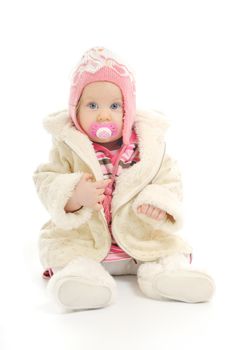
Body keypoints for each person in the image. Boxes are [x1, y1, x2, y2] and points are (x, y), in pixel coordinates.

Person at [33, 46, 215, 311]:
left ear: (128, 110)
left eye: (114, 106)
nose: (104, 115)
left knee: (164, 251)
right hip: (85, 238)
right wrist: (72, 194)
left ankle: (168, 277)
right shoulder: (68, 146)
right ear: (75, 108)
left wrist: (157, 203)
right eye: (92, 105)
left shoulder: (147, 146)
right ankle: (84, 284)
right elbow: (46, 179)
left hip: (138, 237)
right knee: (70, 256)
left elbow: (169, 178)